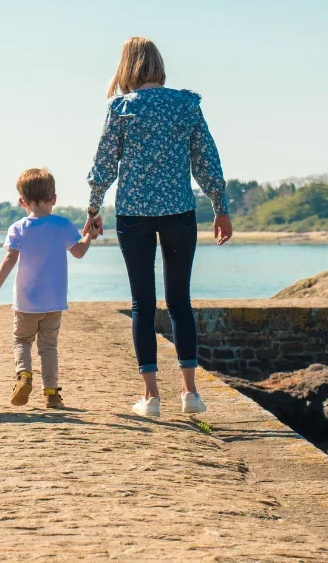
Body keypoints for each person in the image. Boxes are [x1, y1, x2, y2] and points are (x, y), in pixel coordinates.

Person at [84, 36, 233, 418]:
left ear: (127, 66)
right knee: (180, 302)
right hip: (180, 213)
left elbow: (104, 163)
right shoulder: (186, 105)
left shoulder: (121, 108)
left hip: (134, 215)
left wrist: (93, 206)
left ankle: (151, 398)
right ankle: (191, 393)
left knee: (143, 304)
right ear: (158, 64)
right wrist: (220, 207)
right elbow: (206, 159)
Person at [0, 168, 93, 409]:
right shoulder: (62, 225)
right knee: (49, 347)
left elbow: (10, 259)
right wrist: (89, 235)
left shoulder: (18, 228)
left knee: (22, 340)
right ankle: (51, 393)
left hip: (25, 301)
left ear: (22, 202)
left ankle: (24, 375)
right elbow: (79, 252)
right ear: (54, 198)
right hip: (54, 302)